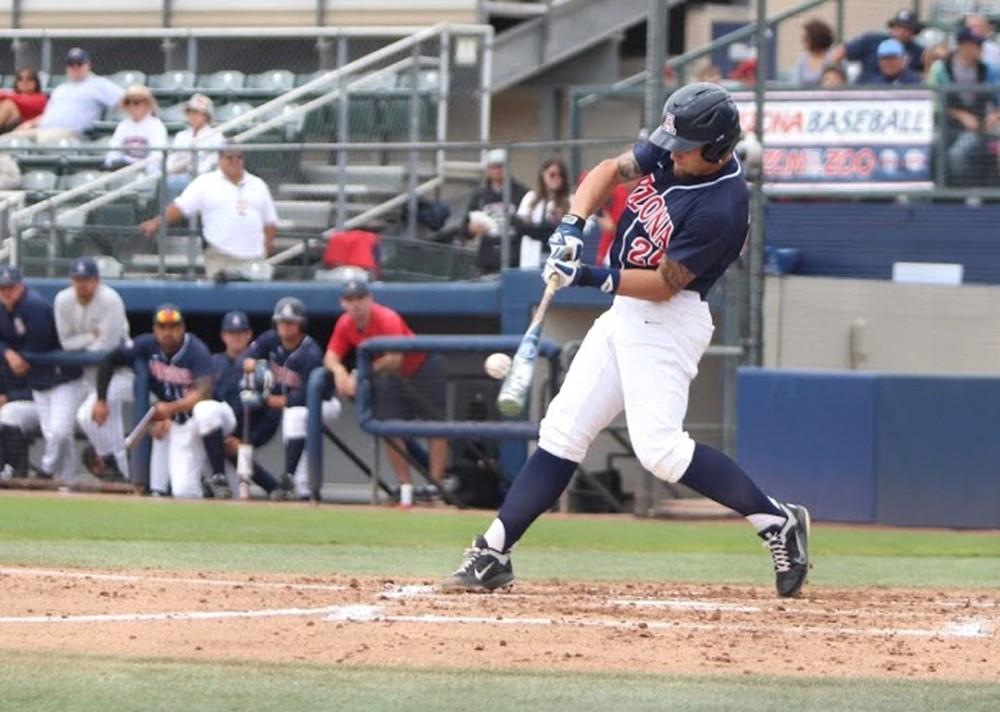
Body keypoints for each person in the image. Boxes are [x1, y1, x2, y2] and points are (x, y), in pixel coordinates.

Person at [441, 82, 811, 598]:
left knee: (659, 450)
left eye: (685, 151)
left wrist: (588, 276)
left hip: (670, 316)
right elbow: (607, 172)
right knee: (563, 430)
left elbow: (664, 284)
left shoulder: (723, 207)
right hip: (626, 311)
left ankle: (776, 521)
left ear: (719, 149)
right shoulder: (675, 146)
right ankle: (492, 553)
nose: (672, 155)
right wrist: (573, 224)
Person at [324, 280, 448, 508]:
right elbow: (331, 356)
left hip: (422, 367)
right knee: (390, 428)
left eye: (360, 298)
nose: (356, 305)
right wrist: (340, 372)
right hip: (392, 376)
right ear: (343, 303)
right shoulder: (345, 323)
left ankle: (435, 487)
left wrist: (359, 374)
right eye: (350, 300)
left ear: (370, 299)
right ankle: (405, 489)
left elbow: (395, 358)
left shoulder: (386, 317)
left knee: (435, 426)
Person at [92, 304, 213, 498]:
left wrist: (170, 409)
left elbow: (204, 393)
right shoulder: (147, 345)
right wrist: (101, 400)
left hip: (195, 423)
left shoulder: (196, 349)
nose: (168, 332)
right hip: (170, 422)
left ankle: (206, 482)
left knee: (184, 490)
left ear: (182, 328)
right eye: (163, 327)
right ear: (155, 330)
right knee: (163, 488)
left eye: (173, 327)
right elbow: (109, 360)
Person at [242, 298, 341, 500]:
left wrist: (266, 398)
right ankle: (303, 491)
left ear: (300, 324)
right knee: (296, 427)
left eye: (290, 322)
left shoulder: (310, 352)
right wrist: (259, 367)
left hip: (323, 403)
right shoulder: (270, 339)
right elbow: (247, 362)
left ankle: (287, 479)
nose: (285, 326)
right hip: (293, 403)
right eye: (281, 321)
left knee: (295, 416)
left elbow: (301, 398)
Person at [139, 143, 279, 280]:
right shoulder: (205, 183)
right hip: (221, 257)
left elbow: (270, 223)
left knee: (254, 301)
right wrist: (156, 223)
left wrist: (264, 252)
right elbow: (180, 207)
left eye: (239, 157)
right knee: (222, 302)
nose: (234, 161)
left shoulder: (258, 184)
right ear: (220, 160)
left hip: (254, 259)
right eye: (229, 157)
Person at [0, 265, 87, 482]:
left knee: (59, 432)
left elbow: (34, 351)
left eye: (11, 287)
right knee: (55, 435)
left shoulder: (34, 305)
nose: (6, 292)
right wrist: (8, 352)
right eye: (2, 288)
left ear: (21, 286)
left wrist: (16, 356)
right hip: (39, 384)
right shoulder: (3, 308)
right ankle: (67, 481)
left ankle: (47, 472)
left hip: (62, 379)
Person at [54, 258, 133, 481]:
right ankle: (120, 475)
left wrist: (83, 345)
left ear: (97, 280)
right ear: (71, 280)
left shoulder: (110, 299)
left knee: (88, 417)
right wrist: (91, 336)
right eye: (77, 279)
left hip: (120, 372)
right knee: (109, 428)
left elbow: (107, 349)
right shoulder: (63, 299)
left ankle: (112, 465)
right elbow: (65, 343)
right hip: (89, 375)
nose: (82, 284)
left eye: (87, 279)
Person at [191, 311, 284, 499]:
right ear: (223, 335)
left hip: (244, 437)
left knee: (235, 495)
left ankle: (274, 487)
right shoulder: (212, 363)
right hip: (212, 434)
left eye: (241, 332)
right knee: (203, 414)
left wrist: (248, 442)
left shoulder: (263, 368)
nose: (237, 337)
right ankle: (214, 479)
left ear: (250, 334)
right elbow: (200, 399)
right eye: (232, 332)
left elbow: (272, 414)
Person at [927, 26, 1000, 186]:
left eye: (981, 44)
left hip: (978, 127)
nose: (980, 48)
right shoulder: (940, 69)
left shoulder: (988, 70)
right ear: (963, 45)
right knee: (933, 145)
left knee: (958, 154)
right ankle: (938, 197)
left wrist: (995, 115)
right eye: (976, 44)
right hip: (946, 125)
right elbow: (934, 103)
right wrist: (961, 115)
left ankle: (966, 199)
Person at [16, 47, 123, 140]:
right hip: (43, 130)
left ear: (88, 65)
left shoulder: (98, 84)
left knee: (44, 139)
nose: (75, 67)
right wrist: (30, 123)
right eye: (71, 64)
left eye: (79, 63)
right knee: (5, 141)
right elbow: (48, 115)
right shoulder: (61, 89)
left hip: (72, 135)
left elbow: (126, 99)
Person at [463, 148, 528, 272]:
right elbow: (464, 230)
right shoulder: (480, 196)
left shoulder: (521, 193)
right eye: (495, 166)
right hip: (488, 257)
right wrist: (471, 229)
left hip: (514, 257)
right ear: (488, 169)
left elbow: (529, 226)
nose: (499, 170)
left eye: (502, 166)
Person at [831, 9, 925, 84]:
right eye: (897, 27)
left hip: (901, 95)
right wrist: (836, 75)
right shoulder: (872, 40)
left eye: (906, 28)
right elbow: (839, 53)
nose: (900, 31)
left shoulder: (918, 52)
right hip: (864, 91)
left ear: (914, 32)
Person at [515, 156, 572, 268]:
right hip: (533, 259)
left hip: (560, 261)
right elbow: (521, 225)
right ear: (543, 175)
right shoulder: (530, 198)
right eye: (552, 175)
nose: (556, 178)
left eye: (561, 175)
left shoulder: (570, 200)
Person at [164, 93, 222, 203]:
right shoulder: (181, 135)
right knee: (167, 182)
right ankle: (171, 217)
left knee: (175, 183)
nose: (192, 115)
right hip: (180, 174)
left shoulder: (215, 136)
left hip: (205, 177)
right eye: (190, 112)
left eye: (196, 112)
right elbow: (172, 159)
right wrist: (172, 169)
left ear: (206, 116)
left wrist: (193, 171)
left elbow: (211, 162)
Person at [104, 85, 168, 175]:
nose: (131, 106)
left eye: (136, 102)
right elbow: (114, 150)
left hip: (144, 171)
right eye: (128, 102)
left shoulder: (156, 126)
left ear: (147, 104)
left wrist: (145, 172)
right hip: (123, 168)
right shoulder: (123, 125)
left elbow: (156, 156)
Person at [0, 362, 36, 480]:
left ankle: (10, 469)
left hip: (37, 405)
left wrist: (9, 397)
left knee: (9, 413)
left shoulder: (30, 352)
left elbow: (39, 388)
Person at [0, 68, 47, 133]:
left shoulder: (41, 98)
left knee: (8, 104)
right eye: (20, 79)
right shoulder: (12, 96)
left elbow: (23, 101)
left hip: (27, 130)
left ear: (36, 82)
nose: (24, 81)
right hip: (7, 128)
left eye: (29, 78)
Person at [793, 19, 837, 86]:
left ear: (816, 38)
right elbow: (796, 84)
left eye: (805, 39)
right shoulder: (802, 60)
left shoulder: (835, 56)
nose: (802, 41)